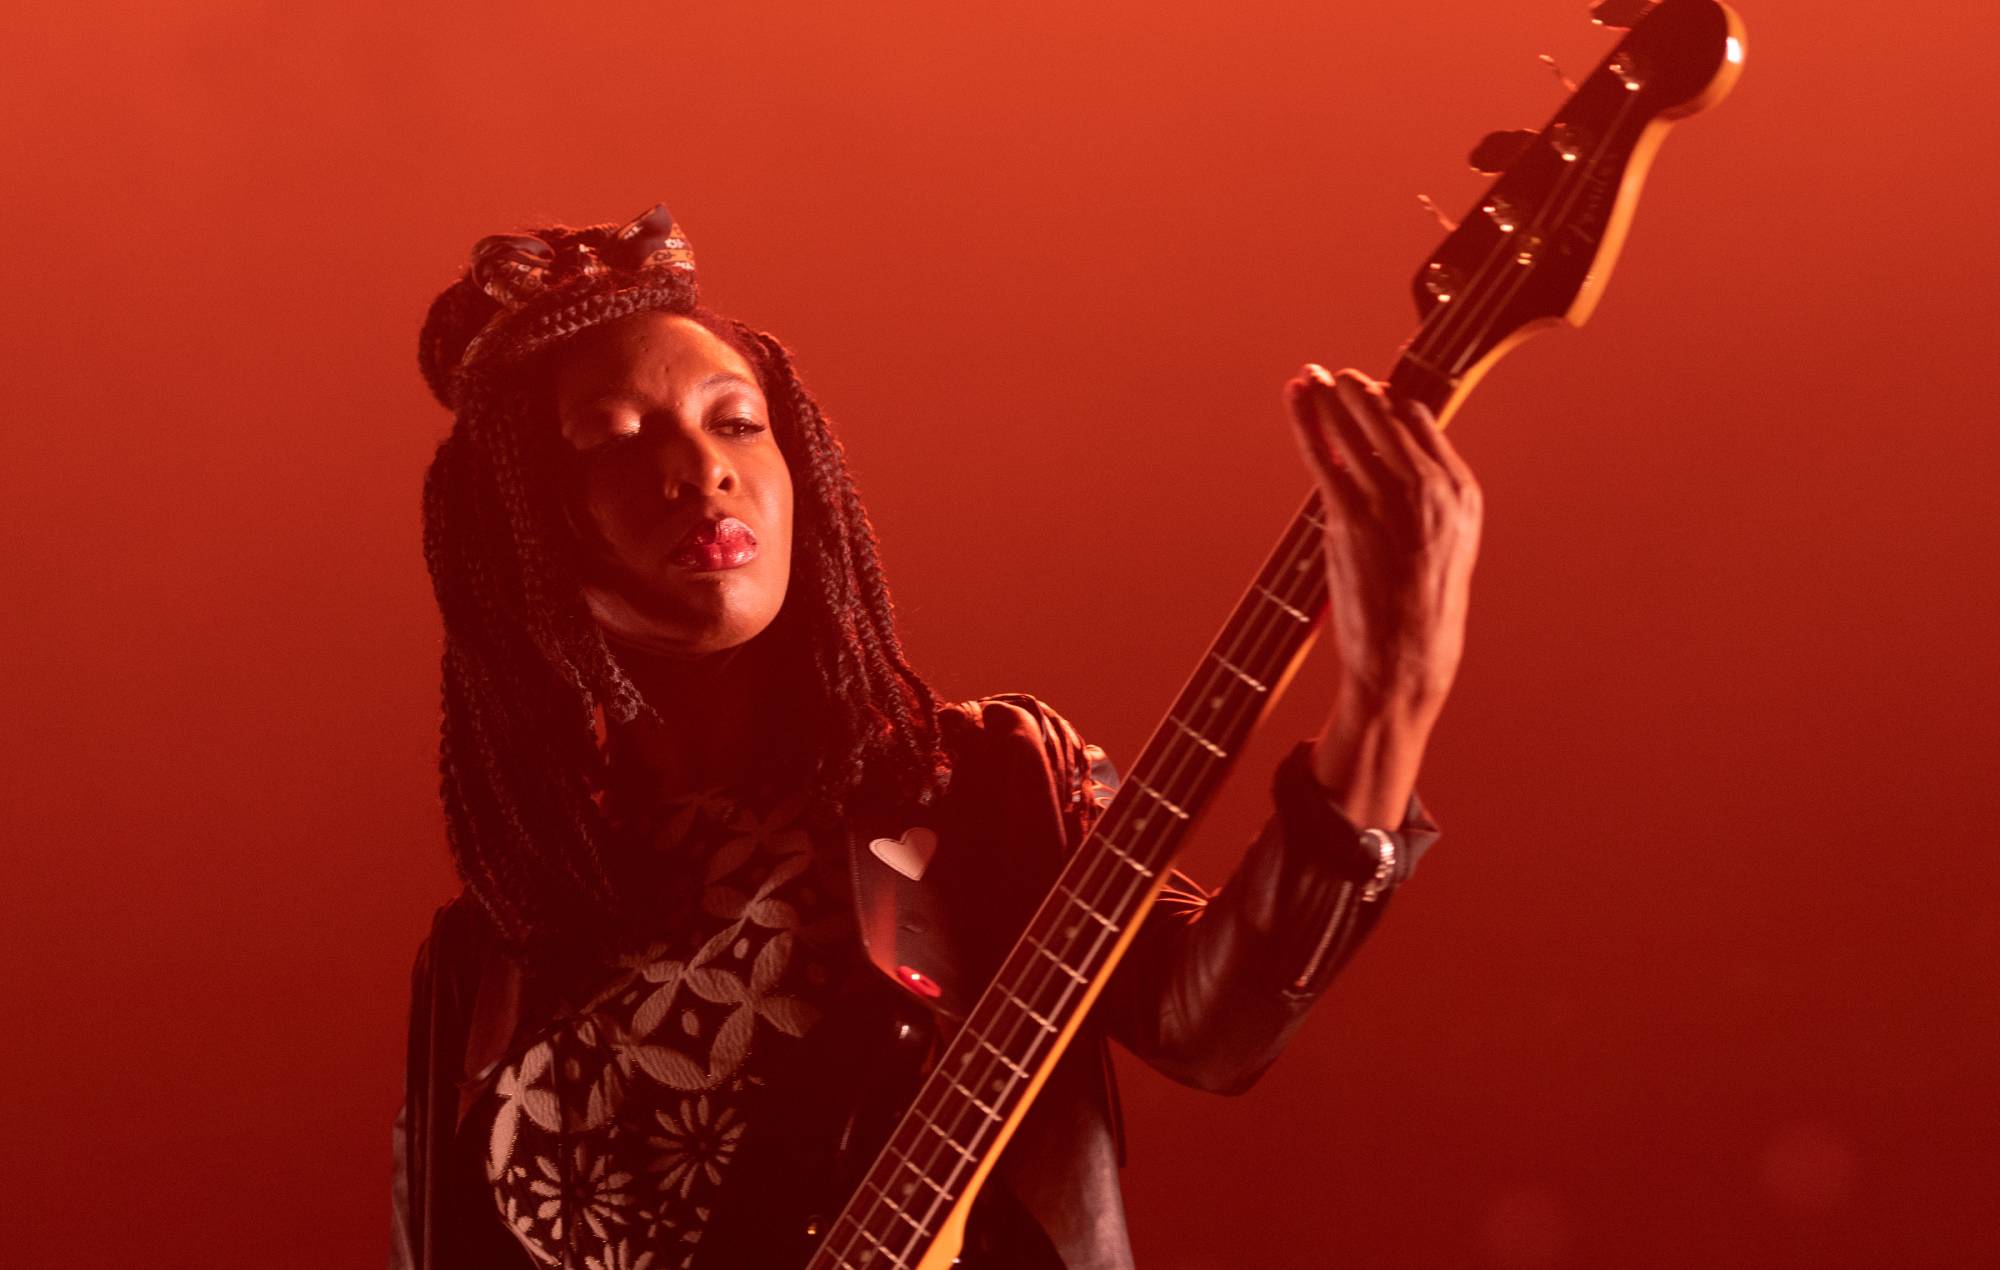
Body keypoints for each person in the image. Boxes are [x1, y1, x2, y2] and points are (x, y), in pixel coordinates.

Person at [391, 202, 1481, 1270]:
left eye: (735, 422)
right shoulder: (489, 954)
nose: (703, 469)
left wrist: (1390, 699)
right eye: (618, 438)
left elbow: (1215, 1026)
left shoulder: (977, 782)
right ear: (516, 539)